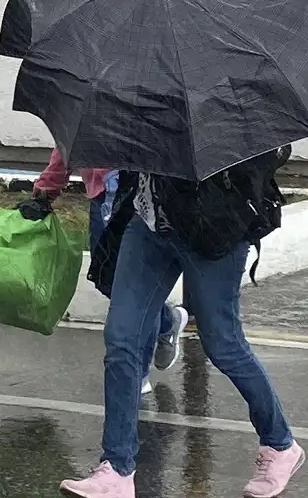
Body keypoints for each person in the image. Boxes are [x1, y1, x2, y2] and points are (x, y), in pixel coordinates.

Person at [59, 154, 303, 498]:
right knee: (122, 338)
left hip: (213, 225)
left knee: (223, 343)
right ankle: (116, 470)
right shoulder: (142, 100)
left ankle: (280, 444)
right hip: (149, 223)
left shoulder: (224, 106)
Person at [30, 148, 189, 396]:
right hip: (101, 196)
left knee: (138, 286)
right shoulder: (88, 109)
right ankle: (168, 322)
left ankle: (138, 371)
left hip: (136, 193)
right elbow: (71, 141)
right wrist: (49, 186)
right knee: (110, 281)